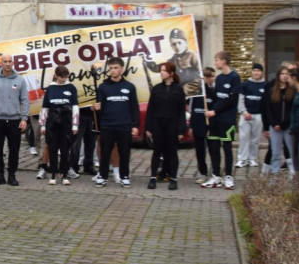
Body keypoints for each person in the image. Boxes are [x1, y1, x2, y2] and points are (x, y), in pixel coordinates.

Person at [0, 53, 30, 187]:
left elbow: (25, 100)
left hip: (15, 120)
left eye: (10, 61)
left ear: (13, 63)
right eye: (5, 61)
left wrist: (24, 118)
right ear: (0, 63)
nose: (8, 64)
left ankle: (12, 175)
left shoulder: (20, 80)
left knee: (14, 149)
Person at [92, 57, 139, 187]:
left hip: (124, 125)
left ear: (122, 69)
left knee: (124, 152)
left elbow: (134, 107)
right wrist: (96, 108)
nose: (113, 71)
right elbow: (100, 107)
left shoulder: (129, 87)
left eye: (116, 68)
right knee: (105, 152)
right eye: (111, 68)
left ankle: (125, 176)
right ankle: (103, 175)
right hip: (107, 125)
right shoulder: (103, 87)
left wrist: (135, 125)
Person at [202, 51, 241, 190]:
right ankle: (216, 176)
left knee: (227, 148)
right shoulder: (218, 78)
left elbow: (232, 100)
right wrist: (206, 85)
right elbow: (216, 96)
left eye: (217, 60)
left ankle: (229, 176)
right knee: (213, 148)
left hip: (227, 119)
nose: (215, 62)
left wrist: (215, 111)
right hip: (215, 120)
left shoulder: (234, 77)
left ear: (224, 61)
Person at [146, 61, 186, 191]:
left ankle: (173, 179)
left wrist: (181, 130)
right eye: (161, 70)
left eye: (164, 70)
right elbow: (150, 109)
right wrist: (148, 127)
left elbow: (181, 111)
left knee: (172, 152)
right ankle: (153, 177)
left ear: (171, 73)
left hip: (172, 124)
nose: (161, 72)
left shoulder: (179, 89)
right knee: (156, 151)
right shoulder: (156, 88)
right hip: (158, 123)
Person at [39, 65, 79, 185]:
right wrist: (43, 125)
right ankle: (53, 174)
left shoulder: (71, 87)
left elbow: (75, 107)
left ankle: (64, 174)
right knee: (52, 149)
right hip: (52, 123)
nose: (63, 79)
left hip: (66, 123)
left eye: (65, 77)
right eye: (61, 77)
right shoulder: (50, 89)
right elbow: (44, 108)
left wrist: (75, 125)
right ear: (56, 75)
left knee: (65, 149)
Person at [260, 65, 296, 178]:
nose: (284, 76)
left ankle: (293, 173)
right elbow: (268, 109)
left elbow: (292, 110)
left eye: (287, 74)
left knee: (290, 150)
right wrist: (273, 123)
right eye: (282, 74)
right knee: (275, 152)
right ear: (278, 76)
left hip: (288, 126)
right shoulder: (272, 91)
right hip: (274, 126)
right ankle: (274, 175)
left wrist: (286, 123)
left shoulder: (291, 91)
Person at [236, 63, 266, 168]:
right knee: (244, 137)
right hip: (246, 115)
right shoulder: (245, 84)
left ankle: (252, 159)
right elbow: (240, 99)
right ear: (251, 72)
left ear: (261, 72)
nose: (256, 73)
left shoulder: (265, 85)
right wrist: (244, 112)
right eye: (254, 70)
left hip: (258, 115)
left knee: (255, 139)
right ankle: (242, 159)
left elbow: (266, 102)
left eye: (258, 71)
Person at [191, 67, 216, 183]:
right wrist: (191, 126)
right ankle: (203, 172)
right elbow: (191, 109)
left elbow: (215, 110)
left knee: (213, 150)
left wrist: (211, 126)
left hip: (209, 126)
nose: (213, 79)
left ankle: (215, 172)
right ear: (205, 78)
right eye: (211, 77)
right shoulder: (197, 93)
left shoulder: (213, 92)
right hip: (198, 124)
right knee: (200, 151)